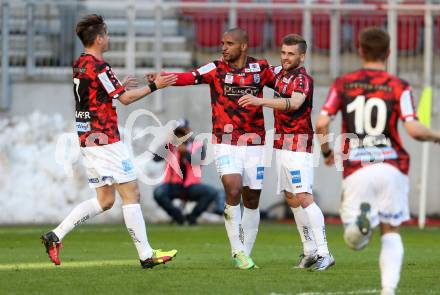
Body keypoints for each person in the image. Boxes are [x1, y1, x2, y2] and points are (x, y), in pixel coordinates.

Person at [40, 14, 178, 269]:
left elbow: (94, 94)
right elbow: (124, 99)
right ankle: (147, 255)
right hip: (105, 140)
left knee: (105, 200)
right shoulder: (100, 67)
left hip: (87, 138)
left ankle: (55, 236)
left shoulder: (80, 63)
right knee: (132, 193)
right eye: (107, 34)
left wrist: (113, 89)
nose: (109, 38)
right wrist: (155, 86)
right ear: (100, 38)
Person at [315, 27, 440, 294]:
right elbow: (414, 130)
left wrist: (327, 153)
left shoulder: (343, 84)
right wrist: (437, 136)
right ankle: (388, 290)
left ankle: (361, 226)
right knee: (391, 230)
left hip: (357, 167)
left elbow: (322, 123)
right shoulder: (398, 86)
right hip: (392, 166)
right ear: (389, 52)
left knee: (354, 241)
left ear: (360, 50)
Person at [149, 28, 277, 269]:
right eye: (222, 43)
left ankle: (246, 253)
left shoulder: (261, 69)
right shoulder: (215, 68)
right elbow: (189, 76)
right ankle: (237, 251)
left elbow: (283, 86)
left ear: (243, 46)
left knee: (251, 199)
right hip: (225, 143)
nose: (224, 47)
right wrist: (163, 77)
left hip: (255, 144)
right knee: (233, 189)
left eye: (229, 43)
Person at [238, 34, 334, 271]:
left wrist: (260, 102)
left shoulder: (303, 80)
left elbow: (294, 103)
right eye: (283, 53)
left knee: (303, 196)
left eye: (290, 54)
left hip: (298, 143)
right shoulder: (279, 73)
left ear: (302, 56)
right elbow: (257, 68)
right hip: (281, 144)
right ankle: (310, 250)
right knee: (291, 198)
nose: (285, 57)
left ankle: (325, 252)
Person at [153, 119, 218, 225]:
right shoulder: (169, 146)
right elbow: (155, 159)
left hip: (191, 186)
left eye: (183, 132)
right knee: (158, 193)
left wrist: (185, 153)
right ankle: (179, 217)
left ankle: (192, 217)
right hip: (172, 184)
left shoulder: (198, 144)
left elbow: (198, 162)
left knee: (211, 193)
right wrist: (167, 143)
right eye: (178, 132)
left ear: (188, 130)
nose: (180, 135)